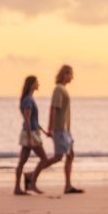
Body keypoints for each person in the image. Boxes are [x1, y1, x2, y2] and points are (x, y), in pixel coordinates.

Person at [25, 64, 83, 194]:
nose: (72, 77)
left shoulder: (63, 89)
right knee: (58, 157)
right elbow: (53, 108)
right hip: (59, 129)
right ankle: (32, 176)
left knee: (70, 154)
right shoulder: (58, 89)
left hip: (66, 129)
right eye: (71, 74)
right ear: (65, 74)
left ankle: (68, 185)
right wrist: (50, 128)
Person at [14, 75, 50, 195]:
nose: (38, 84)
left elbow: (33, 120)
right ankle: (32, 183)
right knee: (44, 158)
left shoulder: (28, 99)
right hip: (31, 133)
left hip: (30, 131)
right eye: (37, 82)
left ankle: (17, 188)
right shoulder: (28, 100)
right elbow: (28, 119)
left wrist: (44, 132)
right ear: (32, 84)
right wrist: (30, 137)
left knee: (22, 161)